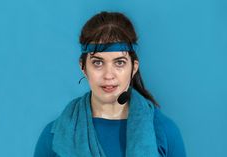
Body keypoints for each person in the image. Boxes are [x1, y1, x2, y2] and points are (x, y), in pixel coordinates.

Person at [34, 11, 186, 157]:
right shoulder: (55, 136)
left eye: (119, 62)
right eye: (98, 63)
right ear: (83, 67)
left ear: (133, 67)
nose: (108, 75)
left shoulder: (164, 132)